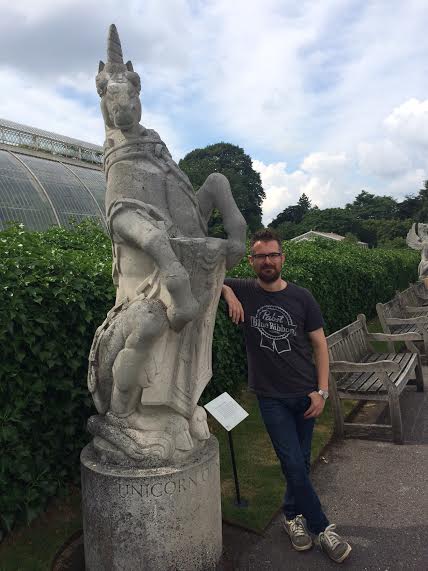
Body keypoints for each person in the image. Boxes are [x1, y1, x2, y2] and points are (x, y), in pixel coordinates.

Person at [221, 228, 352, 564]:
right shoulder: (244, 289)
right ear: (251, 260)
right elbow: (208, 277)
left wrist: (322, 391)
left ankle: (292, 517)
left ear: (282, 258)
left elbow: (320, 345)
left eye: (273, 255)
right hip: (271, 398)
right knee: (292, 462)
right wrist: (228, 292)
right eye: (260, 256)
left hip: (306, 394)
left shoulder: (302, 297)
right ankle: (323, 528)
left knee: (301, 464)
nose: (267, 261)